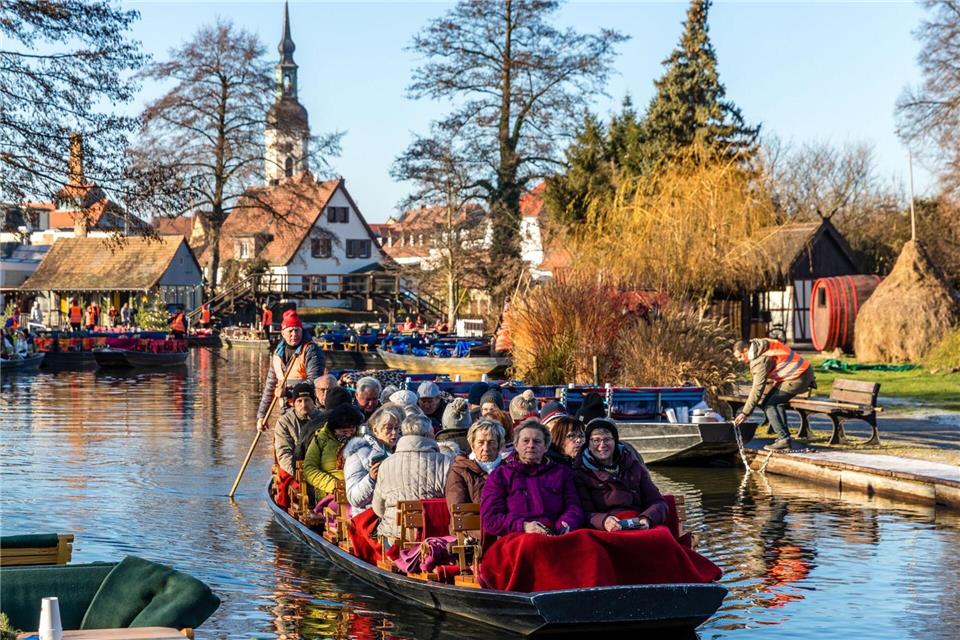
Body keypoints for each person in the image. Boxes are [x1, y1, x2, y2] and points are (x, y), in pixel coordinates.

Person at [480, 419, 583, 536]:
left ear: (546, 447)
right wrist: (523, 526)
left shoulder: (561, 473)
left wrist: (566, 524)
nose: (531, 445)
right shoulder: (500, 475)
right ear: (516, 445)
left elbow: (574, 507)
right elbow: (490, 519)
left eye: (537, 441)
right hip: (518, 537)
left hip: (556, 535)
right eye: (525, 441)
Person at [573, 418, 668, 531]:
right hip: (604, 530)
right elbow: (584, 512)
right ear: (588, 443)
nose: (602, 444)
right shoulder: (580, 473)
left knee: (661, 537)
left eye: (607, 439)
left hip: (638, 524)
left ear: (615, 441)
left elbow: (658, 501)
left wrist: (647, 518)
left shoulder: (634, 465)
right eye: (596, 440)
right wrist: (604, 521)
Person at [372, 414, 453, 545]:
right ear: (427, 435)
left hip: (394, 538)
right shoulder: (446, 462)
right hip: (436, 539)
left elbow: (378, 508)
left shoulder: (386, 464)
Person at [733, 338, 816, 452]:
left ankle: (784, 440)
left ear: (746, 350)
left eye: (740, 356)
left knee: (770, 405)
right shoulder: (761, 345)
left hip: (798, 377)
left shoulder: (759, 360)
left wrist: (745, 412)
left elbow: (757, 388)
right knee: (772, 403)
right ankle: (783, 438)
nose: (739, 360)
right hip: (800, 372)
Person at [256, 309, 325, 432]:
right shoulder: (277, 354)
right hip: (285, 411)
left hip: (307, 411)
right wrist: (261, 416)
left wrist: (287, 392)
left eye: (297, 330)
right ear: (283, 333)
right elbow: (270, 387)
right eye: (290, 331)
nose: (294, 334)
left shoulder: (311, 350)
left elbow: (314, 381)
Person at [343, 403, 404, 510]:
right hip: (371, 515)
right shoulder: (358, 453)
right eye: (388, 428)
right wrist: (370, 479)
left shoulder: (403, 450)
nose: (394, 433)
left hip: (400, 511)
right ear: (375, 430)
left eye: (396, 428)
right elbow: (354, 498)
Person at [445, 419, 506, 512]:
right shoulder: (460, 470)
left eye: (491, 442)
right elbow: (459, 510)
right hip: (471, 526)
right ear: (472, 444)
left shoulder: (509, 470)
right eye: (480, 443)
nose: (485, 448)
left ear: (499, 445)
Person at [303, 403, 364, 497]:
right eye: (344, 432)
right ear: (334, 429)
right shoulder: (321, 439)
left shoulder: (362, 438)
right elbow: (309, 469)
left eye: (352, 431)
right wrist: (334, 485)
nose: (348, 435)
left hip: (360, 488)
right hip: (331, 493)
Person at [274, 381, 324, 478]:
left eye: (307, 400)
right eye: (299, 401)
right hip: (296, 469)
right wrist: (299, 474)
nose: (304, 405)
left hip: (320, 467)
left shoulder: (323, 418)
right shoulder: (284, 422)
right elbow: (284, 454)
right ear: (293, 403)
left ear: (313, 401)